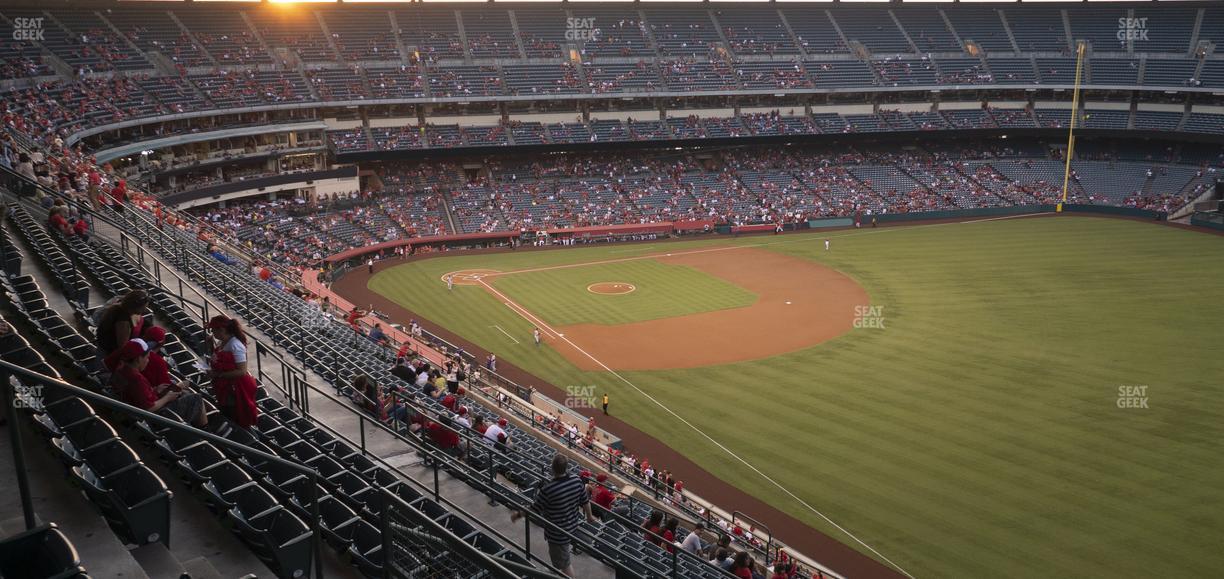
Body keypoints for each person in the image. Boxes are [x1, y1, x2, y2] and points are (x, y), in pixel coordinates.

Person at [511, 454, 595, 577]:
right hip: (572, 525)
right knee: (559, 556)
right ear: (566, 468)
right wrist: (589, 516)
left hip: (557, 533)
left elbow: (534, 509)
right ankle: (555, 568)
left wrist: (517, 515)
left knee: (565, 563)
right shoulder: (577, 481)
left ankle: (563, 572)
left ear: (552, 468)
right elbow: (585, 501)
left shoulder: (548, 489)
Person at [109, 339, 208, 429]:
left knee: (184, 393)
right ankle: (205, 432)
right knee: (196, 399)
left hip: (134, 414)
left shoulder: (121, 369)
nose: (148, 361)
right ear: (138, 359)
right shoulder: (136, 378)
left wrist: (155, 390)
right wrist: (167, 397)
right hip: (155, 420)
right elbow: (148, 408)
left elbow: (137, 395)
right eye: (147, 358)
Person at [207, 315, 259, 429]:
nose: (212, 332)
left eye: (213, 330)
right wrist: (210, 345)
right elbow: (217, 357)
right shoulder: (223, 342)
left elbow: (242, 371)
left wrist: (218, 374)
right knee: (227, 412)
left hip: (236, 388)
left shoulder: (235, 345)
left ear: (221, 330)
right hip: (226, 386)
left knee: (236, 416)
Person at [95, 290, 149, 357]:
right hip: (110, 355)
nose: (145, 310)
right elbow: (123, 348)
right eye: (144, 307)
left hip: (104, 350)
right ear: (135, 307)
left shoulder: (118, 307)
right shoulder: (123, 322)